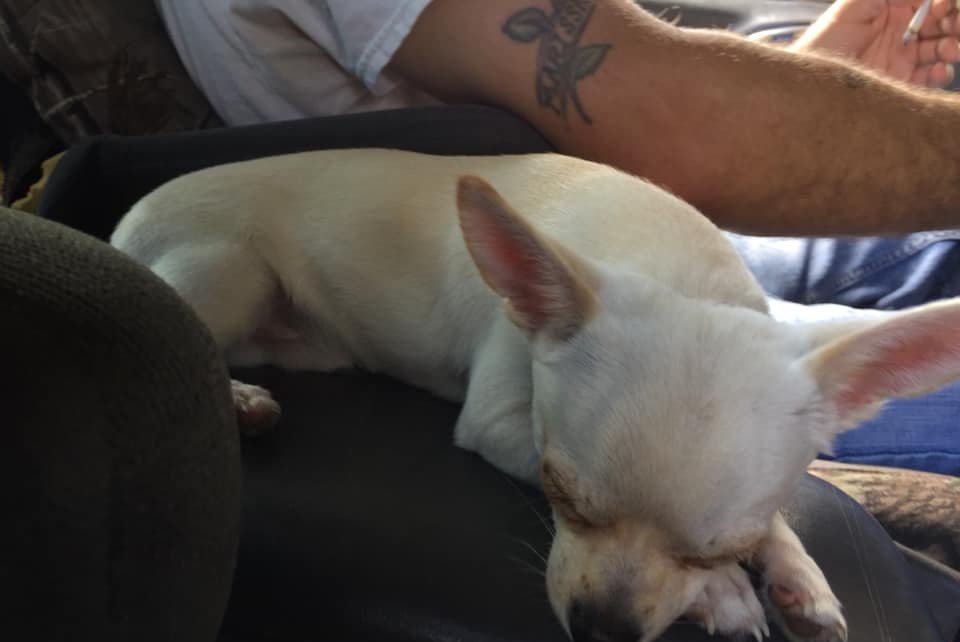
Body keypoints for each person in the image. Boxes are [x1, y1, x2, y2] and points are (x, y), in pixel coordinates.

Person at [156, 0, 960, 474]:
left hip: (616, 225)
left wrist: (810, 86)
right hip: (589, 282)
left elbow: (618, 114)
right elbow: (676, 129)